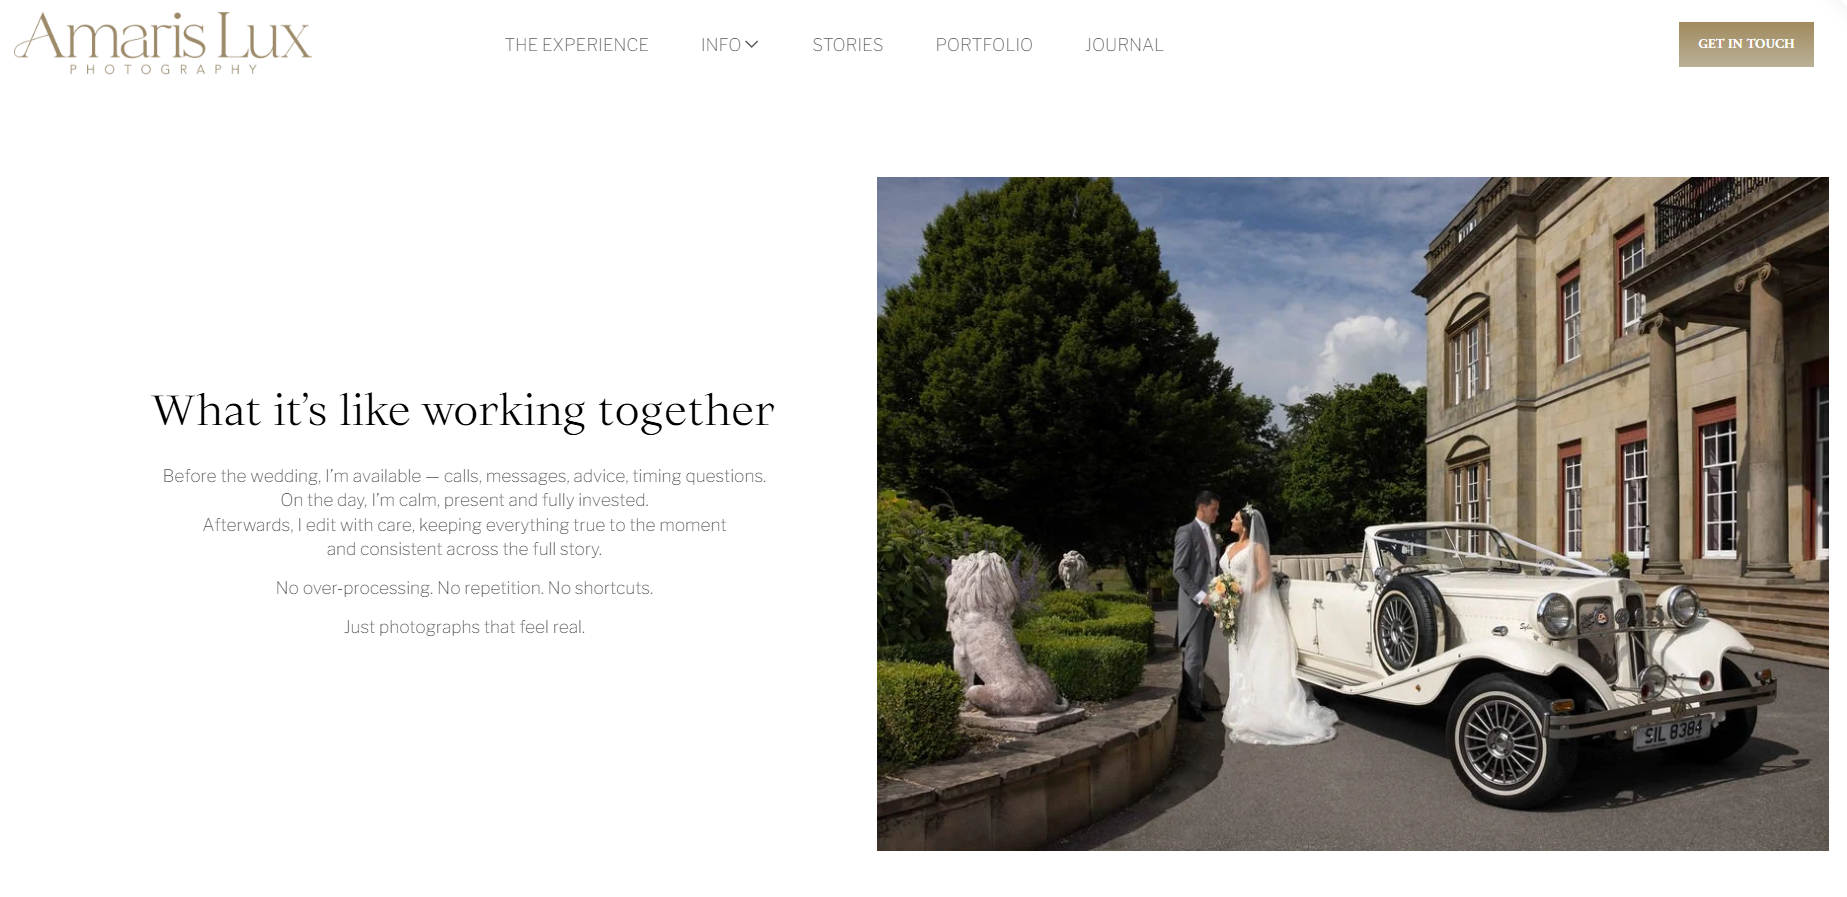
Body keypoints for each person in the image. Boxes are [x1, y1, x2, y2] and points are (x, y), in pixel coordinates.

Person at [1218, 505, 1338, 745]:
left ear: (1245, 524)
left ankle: (1263, 705)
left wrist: (1242, 591)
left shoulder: (1257, 548)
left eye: (1235, 517)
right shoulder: (1229, 547)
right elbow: (1224, 576)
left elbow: (1264, 578)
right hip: (1233, 609)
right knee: (1238, 650)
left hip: (1253, 609)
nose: (1231, 520)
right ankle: (1241, 700)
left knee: (1257, 653)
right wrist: (1220, 598)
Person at [1171, 491, 1223, 721]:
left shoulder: (1212, 534)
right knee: (1192, 657)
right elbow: (1179, 570)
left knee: (1202, 655)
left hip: (1210, 605)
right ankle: (1191, 707)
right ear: (1201, 508)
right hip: (1195, 604)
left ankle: (1197, 698)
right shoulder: (1186, 532)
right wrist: (1201, 596)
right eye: (1214, 509)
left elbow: (1213, 568)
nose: (1217, 514)